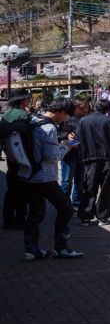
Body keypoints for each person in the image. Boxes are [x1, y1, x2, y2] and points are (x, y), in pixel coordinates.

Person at [23, 97, 83, 260]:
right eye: (66, 115)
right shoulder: (49, 127)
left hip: (29, 174)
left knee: (35, 213)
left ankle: (31, 249)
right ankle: (61, 247)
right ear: (61, 112)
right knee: (66, 209)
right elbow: (52, 156)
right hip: (45, 177)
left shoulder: (33, 120)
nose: (66, 119)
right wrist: (67, 146)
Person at [78, 98, 110, 225]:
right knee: (107, 188)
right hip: (108, 158)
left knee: (89, 187)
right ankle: (103, 215)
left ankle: (86, 215)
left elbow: (79, 139)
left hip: (89, 158)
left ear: (95, 106)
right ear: (108, 109)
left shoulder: (84, 121)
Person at [2, 90, 33, 231]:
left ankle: (7, 220)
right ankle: (20, 219)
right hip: (22, 157)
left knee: (11, 189)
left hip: (10, 155)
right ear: (23, 100)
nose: (29, 101)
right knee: (22, 189)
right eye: (27, 98)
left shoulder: (6, 114)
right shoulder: (22, 115)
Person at [58, 97, 88, 222]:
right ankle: (65, 204)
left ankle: (76, 204)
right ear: (76, 108)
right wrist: (67, 135)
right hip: (69, 154)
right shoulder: (67, 120)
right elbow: (58, 134)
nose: (85, 110)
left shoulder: (87, 120)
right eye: (82, 108)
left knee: (80, 182)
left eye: (87, 108)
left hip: (82, 154)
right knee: (66, 181)